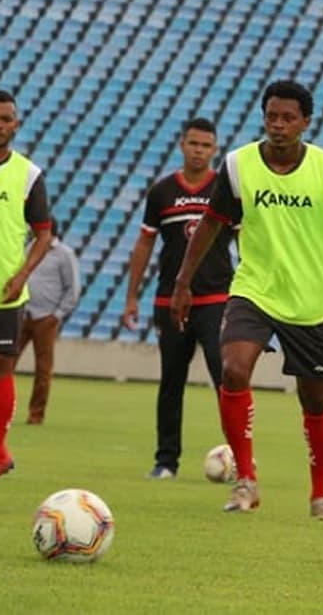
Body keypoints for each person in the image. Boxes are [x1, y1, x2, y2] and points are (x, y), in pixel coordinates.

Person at [170, 80, 323, 518]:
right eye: (272, 116)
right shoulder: (239, 165)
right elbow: (211, 224)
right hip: (253, 290)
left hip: (308, 302)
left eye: (288, 118)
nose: (278, 125)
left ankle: (320, 495)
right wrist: (183, 283)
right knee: (235, 369)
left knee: (315, 401)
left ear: (305, 123)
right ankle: (245, 480)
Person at [122, 118, 234, 479]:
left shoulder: (227, 189)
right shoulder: (162, 191)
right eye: (193, 143)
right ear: (182, 145)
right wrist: (132, 297)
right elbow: (144, 243)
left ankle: (240, 459)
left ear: (215, 149)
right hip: (170, 301)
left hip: (216, 298)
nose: (199, 150)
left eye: (206, 145)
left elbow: (247, 242)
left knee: (227, 378)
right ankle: (165, 461)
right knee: (171, 381)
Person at [0, 89, 52, 481]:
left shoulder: (27, 174)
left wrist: (21, 275)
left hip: (3, 290)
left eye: (5, 119)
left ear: (16, 125)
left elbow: (44, 232)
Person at [17, 218, 80, 424]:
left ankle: (36, 414)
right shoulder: (27, 249)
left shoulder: (64, 254)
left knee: (43, 369)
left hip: (46, 318)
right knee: (3, 363)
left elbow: (73, 289)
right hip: (23, 313)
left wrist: (57, 315)